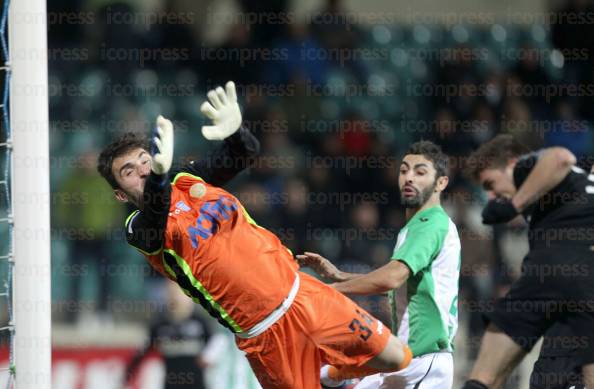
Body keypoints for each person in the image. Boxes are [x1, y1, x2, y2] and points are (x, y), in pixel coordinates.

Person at [97, 81, 412, 389]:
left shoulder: (187, 180)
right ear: (120, 195)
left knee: (397, 358)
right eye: (129, 172)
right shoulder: (138, 229)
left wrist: (236, 133)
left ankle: (330, 376)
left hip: (304, 293)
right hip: (266, 337)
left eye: (144, 161)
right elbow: (157, 210)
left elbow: (243, 155)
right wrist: (158, 179)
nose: (142, 170)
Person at [298, 141, 460, 388]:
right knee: (328, 379)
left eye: (420, 172)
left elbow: (391, 278)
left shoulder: (431, 222)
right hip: (411, 363)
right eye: (404, 170)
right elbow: (400, 287)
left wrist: (326, 292)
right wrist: (340, 275)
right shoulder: (417, 226)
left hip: (421, 363)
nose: (409, 178)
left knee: (326, 379)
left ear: (441, 183)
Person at [462, 134, 594, 389]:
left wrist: (513, 204)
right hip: (586, 289)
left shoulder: (524, 167)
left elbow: (561, 157)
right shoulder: (576, 189)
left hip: (555, 269)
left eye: (490, 184)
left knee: (485, 376)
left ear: (512, 162)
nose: (491, 196)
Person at [124, 281, 219, 389]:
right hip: (171, 385)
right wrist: (127, 377)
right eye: (171, 293)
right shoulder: (160, 325)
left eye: (178, 293)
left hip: (197, 384)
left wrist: (209, 356)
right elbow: (141, 353)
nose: (175, 297)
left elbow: (217, 342)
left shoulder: (200, 322)